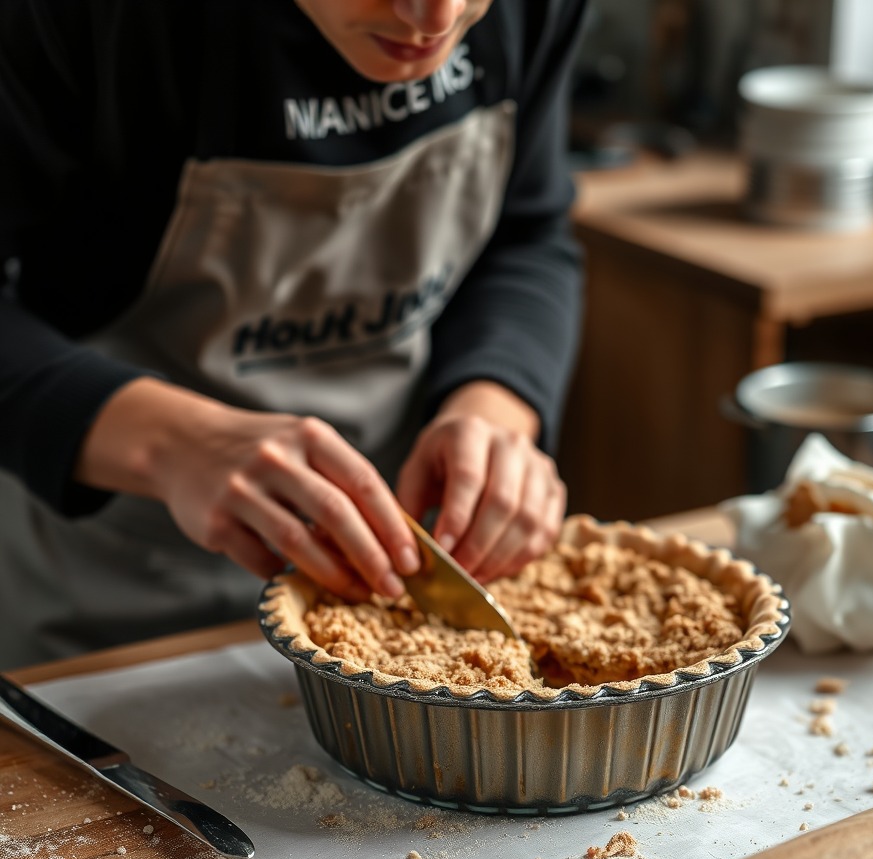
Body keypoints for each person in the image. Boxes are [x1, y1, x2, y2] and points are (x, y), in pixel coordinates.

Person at [0, 0, 586, 668]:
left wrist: (496, 403)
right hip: (112, 592)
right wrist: (173, 442)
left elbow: (525, 234)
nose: (433, 18)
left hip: (393, 588)